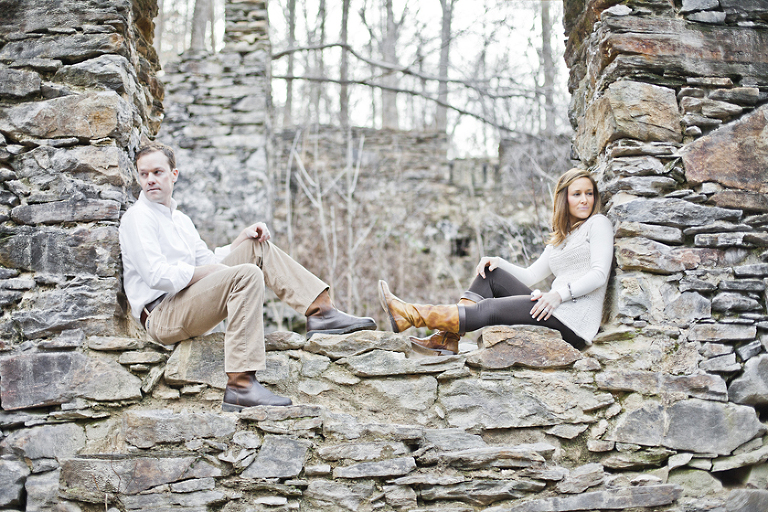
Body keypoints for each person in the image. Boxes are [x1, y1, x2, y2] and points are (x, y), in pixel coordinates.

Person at [119, 142, 376, 411]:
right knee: (247, 275)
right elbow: (155, 275)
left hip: (186, 301)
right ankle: (241, 385)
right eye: (143, 174)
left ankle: (321, 311)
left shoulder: (180, 220)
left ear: (174, 174)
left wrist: (240, 240)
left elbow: (208, 262)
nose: (149, 180)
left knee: (256, 246)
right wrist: (208, 272)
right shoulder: (138, 218)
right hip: (161, 316)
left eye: (157, 172)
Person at [378, 168, 613, 353]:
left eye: (589, 193)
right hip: (553, 308)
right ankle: (448, 340)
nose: (584, 200)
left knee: (488, 309)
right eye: (577, 194)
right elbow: (531, 275)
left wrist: (558, 295)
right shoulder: (561, 239)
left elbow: (599, 274)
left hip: (572, 322)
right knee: (491, 274)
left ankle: (410, 314)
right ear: (564, 199)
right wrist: (498, 261)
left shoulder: (598, 223)